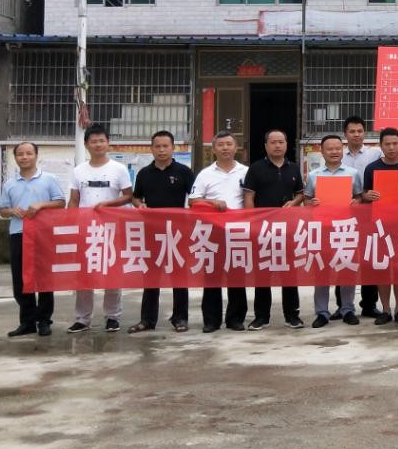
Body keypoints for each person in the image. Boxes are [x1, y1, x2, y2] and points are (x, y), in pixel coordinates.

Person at [66, 124, 134, 333]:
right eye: (93, 141)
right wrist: (70, 224)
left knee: (112, 273)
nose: (98, 144)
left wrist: (108, 205)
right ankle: (82, 319)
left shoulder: (119, 169)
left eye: (101, 140)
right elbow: (74, 200)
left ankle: (112, 317)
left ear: (108, 143)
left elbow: (128, 195)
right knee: (85, 275)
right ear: (86, 145)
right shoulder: (78, 170)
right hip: (87, 230)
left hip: (113, 229)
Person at [128, 130, 195, 333]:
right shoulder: (144, 174)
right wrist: (140, 205)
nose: (162, 150)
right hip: (152, 232)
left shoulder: (184, 172)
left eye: (166, 146)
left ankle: (180, 318)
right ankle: (148, 320)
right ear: (151, 149)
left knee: (179, 277)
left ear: (173, 148)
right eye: (157, 146)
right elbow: (136, 197)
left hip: (178, 232)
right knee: (151, 277)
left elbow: (194, 198)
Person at [242, 129, 306, 330]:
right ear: (266, 146)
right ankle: (262, 316)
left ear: (287, 145)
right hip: (263, 229)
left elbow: (301, 194)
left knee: (290, 272)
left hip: (288, 229)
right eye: (273, 142)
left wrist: (294, 203)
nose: (277, 145)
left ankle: (292, 315)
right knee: (263, 273)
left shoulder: (294, 168)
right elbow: (249, 197)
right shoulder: (255, 168)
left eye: (281, 142)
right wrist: (252, 223)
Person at [2, 141, 65, 338]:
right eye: (20, 154)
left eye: (29, 153)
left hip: (43, 234)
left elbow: (60, 202)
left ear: (36, 156)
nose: (25, 157)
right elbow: (3, 210)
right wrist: (12, 210)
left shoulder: (48, 179)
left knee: (45, 278)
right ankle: (27, 321)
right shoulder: (9, 184)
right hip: (18, 234)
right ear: (16, 158)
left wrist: (41, 206)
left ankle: (44, 320)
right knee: (21, 279)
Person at [191, 131, 249, 332]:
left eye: (229, 144)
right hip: (212, 232)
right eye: (221, 145)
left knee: (237, 276)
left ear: (236, 148)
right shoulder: (205, 174)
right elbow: (192, 201)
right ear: (213, 149)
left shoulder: (245, 172)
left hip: (237, 232)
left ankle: (235, 319)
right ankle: (211, 320)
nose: (225, 148)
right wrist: (211, 202)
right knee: (212, 276)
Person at [361, 127, 398, 325]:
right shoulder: (372, 168)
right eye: (387, 144)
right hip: (379, 225)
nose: (392, 147)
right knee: (382, 267)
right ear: (381, 145)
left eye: (395, 143)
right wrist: (367, 196)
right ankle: (385, 309)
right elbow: (364, 194)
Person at [304, 134, 363, 328]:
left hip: (345, 228)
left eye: (338, 148)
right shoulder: (314, 175)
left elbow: (359, 197)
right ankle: (322, 312)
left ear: (342, 149)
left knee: (347, 269)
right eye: (330, 149)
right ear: (322, 152)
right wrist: (311, 203)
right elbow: (306, 201)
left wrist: (356, 202)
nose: (334, 152)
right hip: (323, 228)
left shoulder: (353, 173)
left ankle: (347, 309)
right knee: (322, 270)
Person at [342, 115, 383, 318]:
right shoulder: (337, 155)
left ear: (364, 133)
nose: (356, 135)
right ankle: (343, 306)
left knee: (369, 257)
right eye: (352, 131)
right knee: (344, 256)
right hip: (344, 214)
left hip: (370, 213)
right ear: (345, 134)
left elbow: (394, 160)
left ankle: (369, 304)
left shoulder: (375, 153)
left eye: (359, 131)